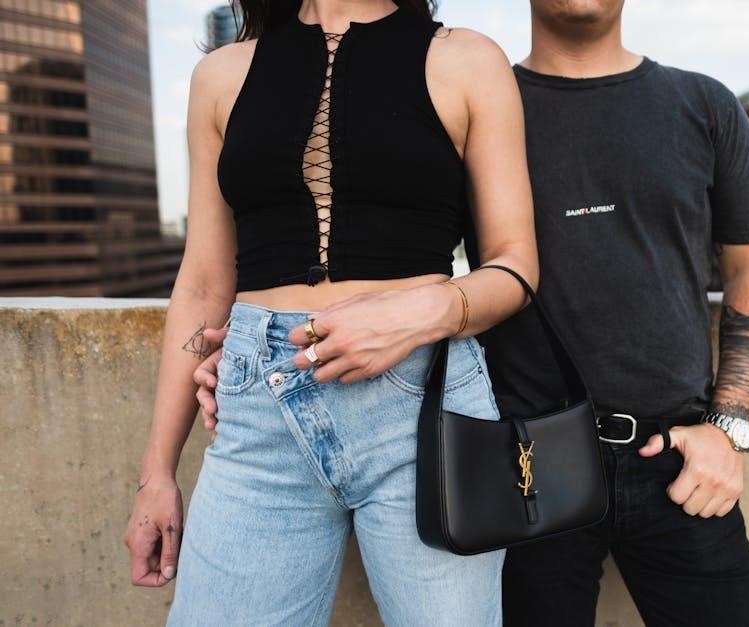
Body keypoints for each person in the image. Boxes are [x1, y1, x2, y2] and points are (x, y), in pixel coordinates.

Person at [197, 1, 749, 625]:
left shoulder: (702, 104)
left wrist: (728, 426)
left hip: (679, 456)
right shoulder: (477, 84)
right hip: (520, 458)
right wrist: (255, 340)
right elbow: (377, 223)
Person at [121, 0, 537, 625]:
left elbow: (516, 265)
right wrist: (157, 473)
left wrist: (419, 313)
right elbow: (203, 284)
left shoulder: (468, 60)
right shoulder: (222, 75)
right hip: (258, 416)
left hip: (428, 408)